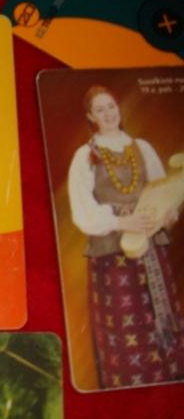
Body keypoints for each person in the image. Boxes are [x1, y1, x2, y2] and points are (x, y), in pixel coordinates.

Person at [68, 85, 184, 388]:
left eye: (111, 106)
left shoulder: (142, 148)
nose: (108, 113)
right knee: (123, 328)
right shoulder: (84, 157)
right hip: (112, 256)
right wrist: (123, 221)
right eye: (100, 109)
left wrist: (167, 215)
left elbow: (160, 193)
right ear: (90, 117)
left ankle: (170, 383)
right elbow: (83, 212)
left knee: (160, 320)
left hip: (151, 249)